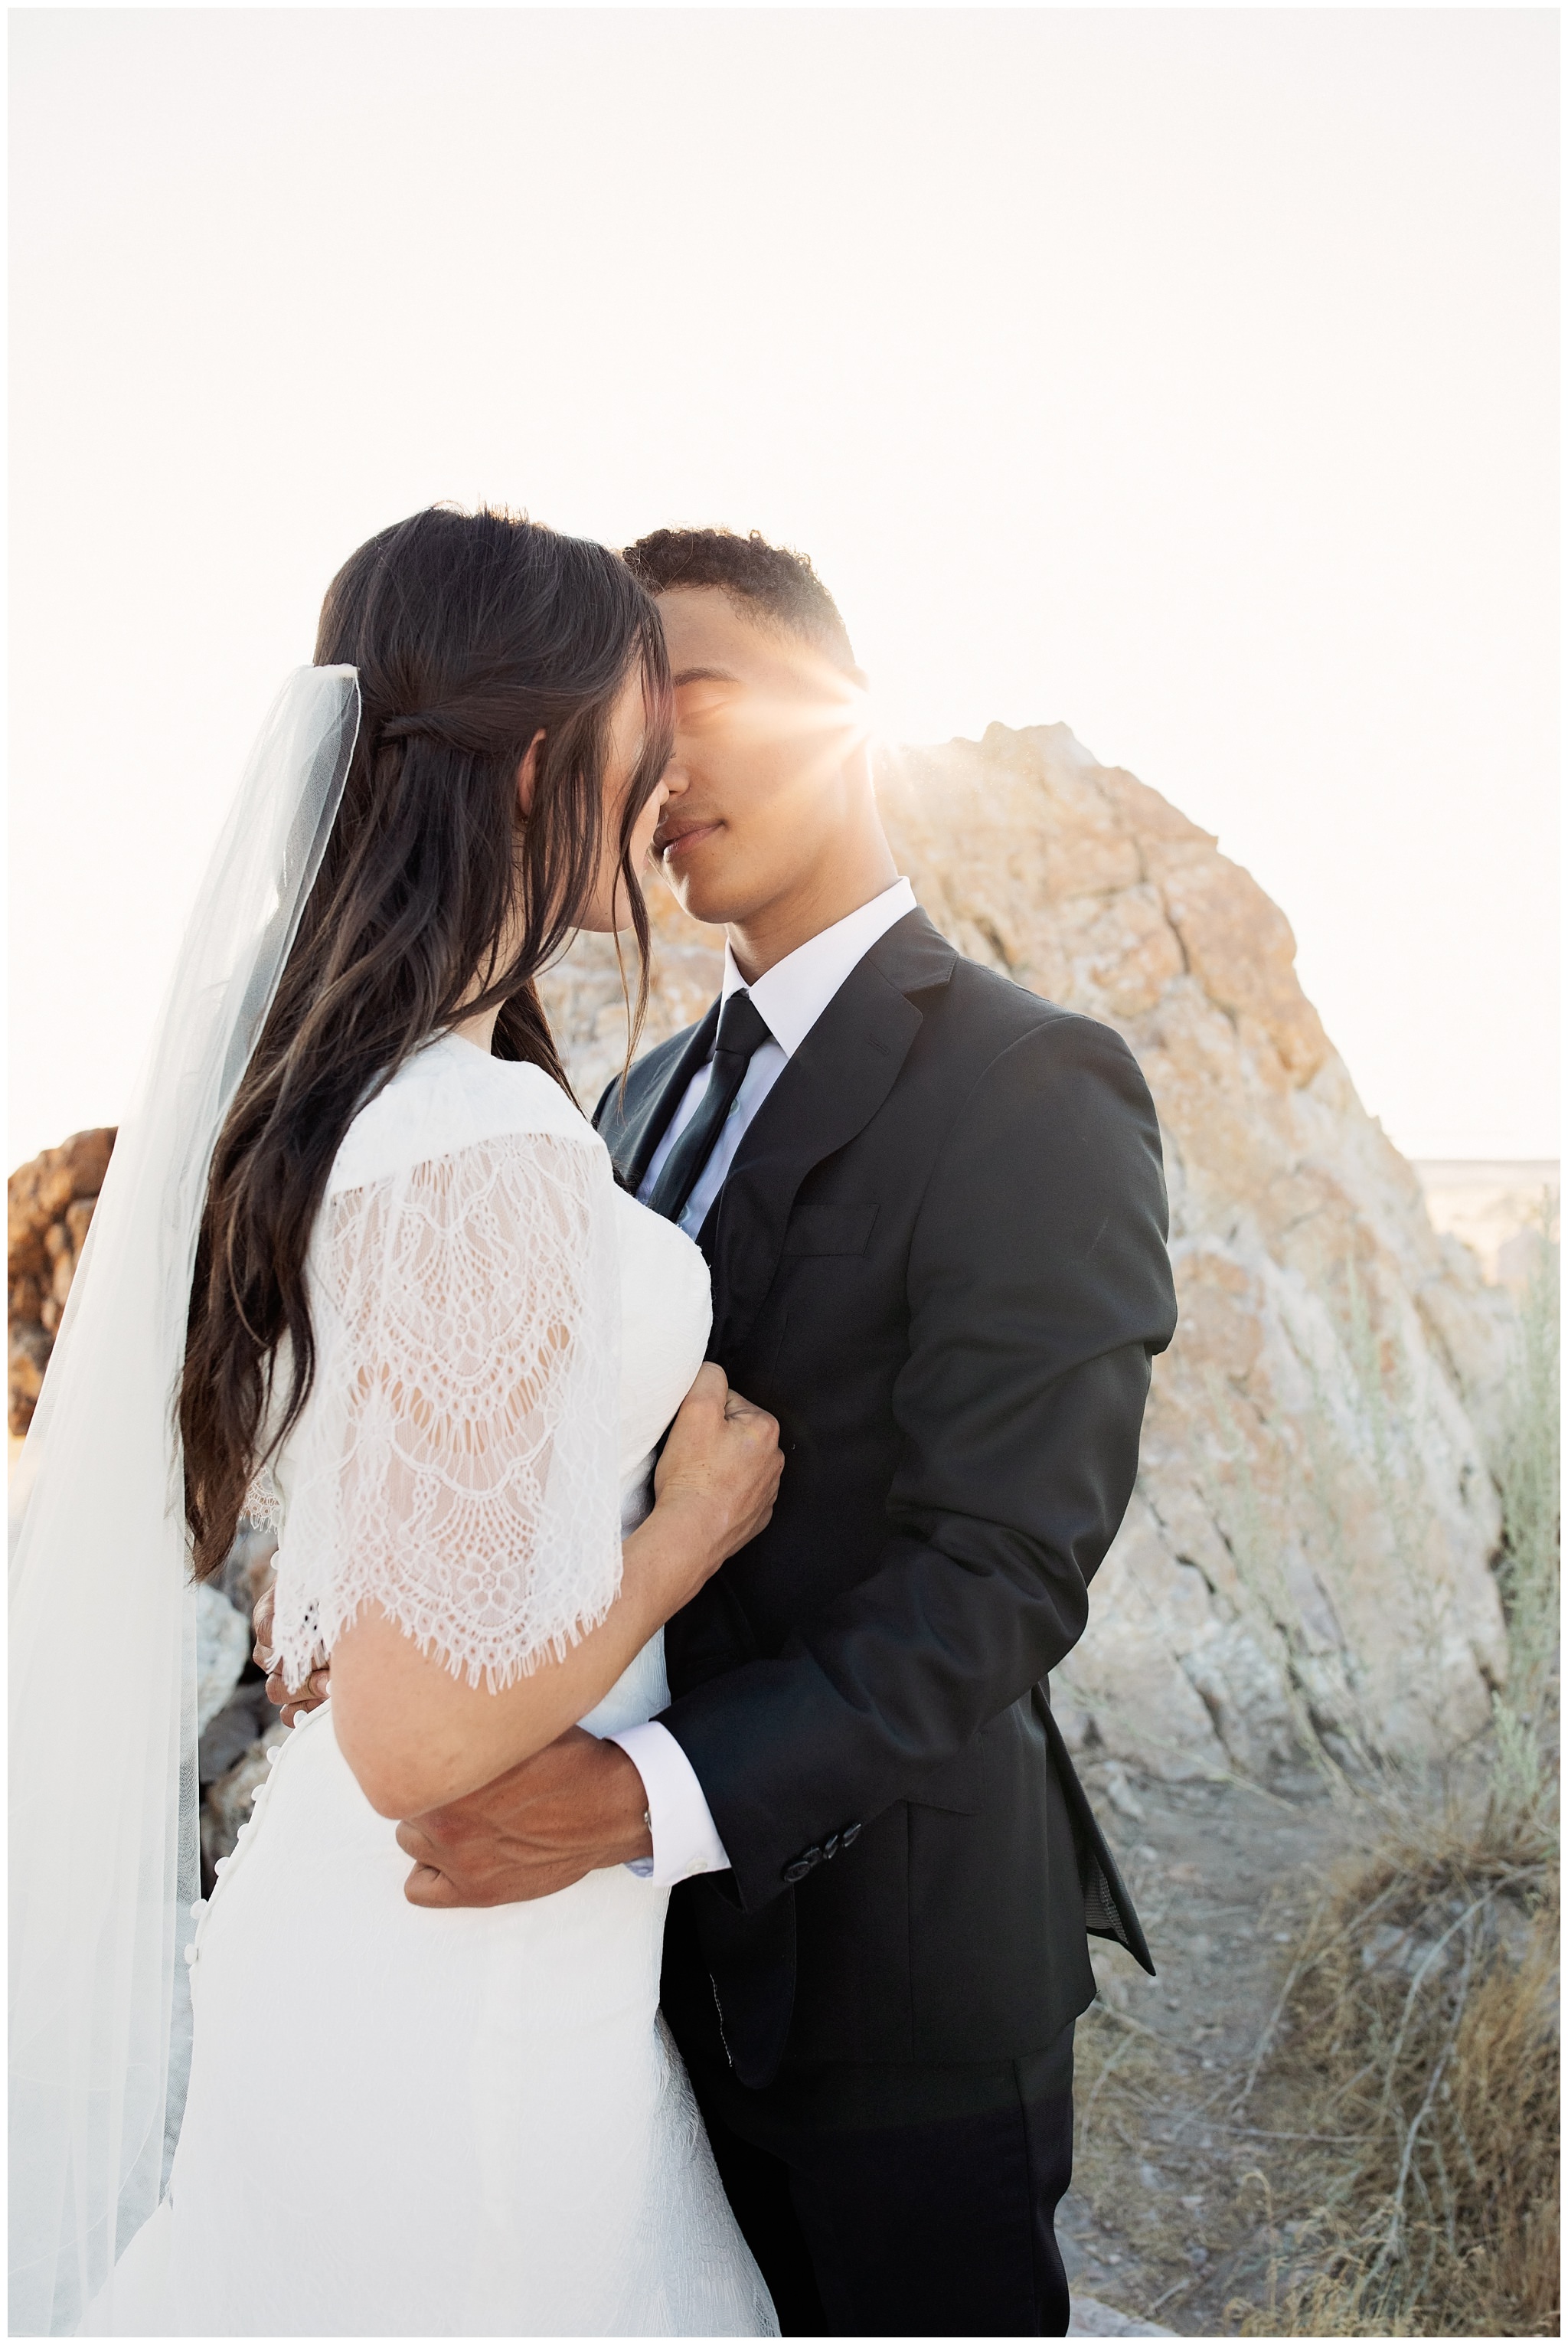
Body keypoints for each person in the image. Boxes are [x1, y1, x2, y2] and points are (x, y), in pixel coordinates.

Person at [387, 529, 1181, 2337]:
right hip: (642, 1977)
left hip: (895, 1979)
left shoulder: (1028, 1081)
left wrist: (627, 1800)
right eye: (623, 715)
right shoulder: (640, 1094)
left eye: (700, 689)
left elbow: (1001, 1576)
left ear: (843, 702)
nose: (654, 762)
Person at [11, 507, 786, 2337]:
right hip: (472, 1970)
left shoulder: (380, 1089)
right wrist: (695, 1522)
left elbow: (381, 1549)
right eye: (634, 715)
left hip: (401, 1945)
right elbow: (420, 1738)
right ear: (538, 759)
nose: (662, 759)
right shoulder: (481, 1136)